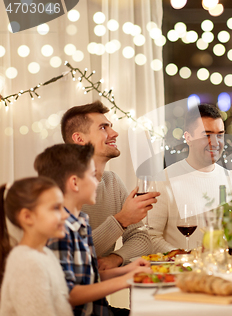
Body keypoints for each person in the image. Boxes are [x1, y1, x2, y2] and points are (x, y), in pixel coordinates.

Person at [35, 143, 151, 316]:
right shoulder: (58, 230)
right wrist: (127, 279)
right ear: (74, 183)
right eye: (92, 175)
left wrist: (127, 270)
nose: (98, 181)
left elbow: (89, 280)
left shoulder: (80, 223)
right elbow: (68, 294)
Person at [60, 101, 160, 269]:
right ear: (79, 139)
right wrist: (122, 220)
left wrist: (116, 258)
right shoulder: (58, 187)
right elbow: (72, 251)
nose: (114, 133)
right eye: (103, 128)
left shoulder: (111, 181)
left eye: (110, 127)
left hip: (99, 289)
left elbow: (142, 239)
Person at [149, 103, 232, 252]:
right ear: (188, 138)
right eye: (207, 135)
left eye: (219, 135)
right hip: (180, 271)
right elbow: (151, 237)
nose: (215, 142)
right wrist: (184, 258)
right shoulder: (163, 180)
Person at [0, 177, 72, 315]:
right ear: (27, 217)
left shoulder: (46, 254)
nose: (65, 215)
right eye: (56, 208)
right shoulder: (27, 263)